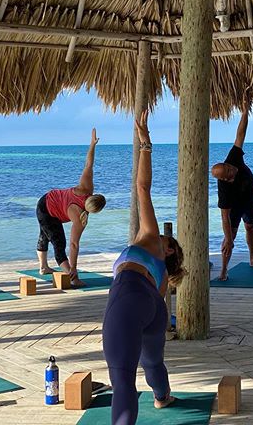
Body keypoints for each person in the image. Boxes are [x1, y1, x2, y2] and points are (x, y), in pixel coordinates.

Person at [102, 110, 186, 424]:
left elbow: (142, 189)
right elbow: (158, 304)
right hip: (153, 307)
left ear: (167, 248)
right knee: (152, 362)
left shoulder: (151, 238)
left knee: (122, 378)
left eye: (170, 240)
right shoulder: (163, 272)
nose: (166, 236)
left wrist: (146, 146)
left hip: (129, 297)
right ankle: (162, 397)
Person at [36, 129, 106, 287]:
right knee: (58, 242)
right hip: (46, 208)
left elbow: (89, 163)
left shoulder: (85, 188)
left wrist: (92, 144)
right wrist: (74, 268)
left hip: (47, 199)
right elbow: (74, 244)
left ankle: (43, 267)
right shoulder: (81, 218)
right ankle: (72, 277)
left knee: (45, 234)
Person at [211, 109, 253, 281]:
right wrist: (228, 238)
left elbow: (240, 134)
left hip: (250, 199)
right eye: (228, 172)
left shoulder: (233, 158)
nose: (231, 169)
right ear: (225, 179)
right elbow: (225, 218)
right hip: (235, 207)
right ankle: (223, 270)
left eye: (229, 167)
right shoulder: (224, 190)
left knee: (251, 226)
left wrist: (244, 112)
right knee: (231, 237)